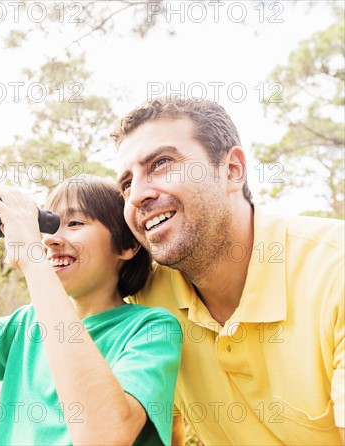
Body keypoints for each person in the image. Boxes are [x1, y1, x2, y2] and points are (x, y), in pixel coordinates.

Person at [111, 97, 344, 445]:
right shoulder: (147, 300)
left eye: (161, 163)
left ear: (232, 169)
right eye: (127, 184)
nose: (137, 196)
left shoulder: (334, 271)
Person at [0, 175, 183, 445]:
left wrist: (32, 259)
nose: (51, 240)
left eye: (75, 223)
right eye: (48, 226)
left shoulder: (151, 330)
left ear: (127, 245)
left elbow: (105, 435)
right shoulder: (27, 323)